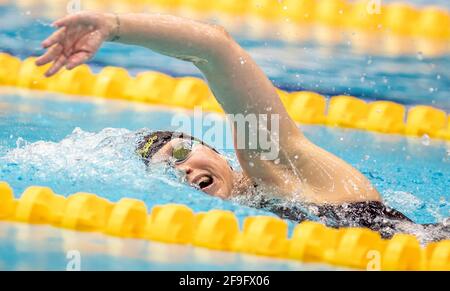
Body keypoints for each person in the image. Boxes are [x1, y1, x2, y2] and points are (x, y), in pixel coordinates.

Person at [37, 11, 448, 240]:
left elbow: (215, 47)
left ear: (219, 153)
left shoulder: (274, 166)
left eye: (181, 152)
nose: (181, 168)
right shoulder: (240, 224)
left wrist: (116, 27)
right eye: (168, 170)